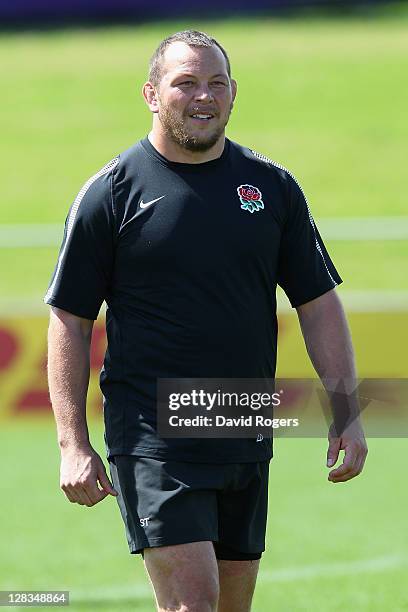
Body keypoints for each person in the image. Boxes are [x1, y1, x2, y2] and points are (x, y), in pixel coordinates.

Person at [45, 30, 368, 612]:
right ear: (151, 93)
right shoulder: (111, 193)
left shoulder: (272, 188)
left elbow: (318, 302)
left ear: (234, 93)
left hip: (242, 420)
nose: (204, 96)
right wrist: (73, 442)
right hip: (152, 433)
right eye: (186, 83)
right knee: (193, 605)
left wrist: (345, 409)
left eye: (216, 83)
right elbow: (68, 317)